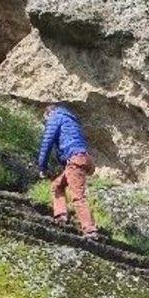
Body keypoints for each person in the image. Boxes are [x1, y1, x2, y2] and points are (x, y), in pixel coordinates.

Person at [37, 101, 99, 239]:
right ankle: (61, 216)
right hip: (83, 159)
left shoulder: (55, 117)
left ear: (48, 113)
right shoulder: (71, 120)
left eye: (45, 119)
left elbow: (47, 142)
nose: (46, 122)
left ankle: (90, 230)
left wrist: (42, 167)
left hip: (75, 160)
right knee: (57, 185)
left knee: (77, 196)